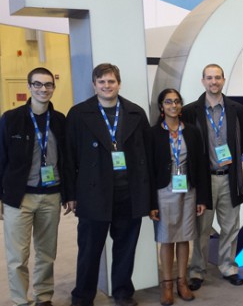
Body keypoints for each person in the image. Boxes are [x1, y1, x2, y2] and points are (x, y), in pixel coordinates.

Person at [65, 63, 156, 306]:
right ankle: (83, 297)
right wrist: (70, 194)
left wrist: (149, 197)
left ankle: (123, 293)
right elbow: (68, 157)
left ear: (119, 83)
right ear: (94, 85)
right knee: (89, 251)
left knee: (125, 249)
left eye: (111, 81)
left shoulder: (136, 113)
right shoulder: (78, 114)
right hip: (93, 195)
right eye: (102, 82)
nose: (107, 86)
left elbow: (147, 157)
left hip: (129, 193)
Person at [0, 67, 66, 306]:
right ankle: (21, 301)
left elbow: (68, 159)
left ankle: (43, 297)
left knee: (46, 254)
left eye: (48, 85)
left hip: (51, 196)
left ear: (53, 88)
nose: (43, 89)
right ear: (29, 86)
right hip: (19, 198)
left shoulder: (60, 120)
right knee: (17, 257)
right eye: (38, 84)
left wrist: (69, 194)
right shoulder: (11, 119)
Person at [181, 64, 243, 290]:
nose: (213, 82)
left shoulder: (236, 109)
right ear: (203, 81)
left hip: (230, 177)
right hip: (204, 180)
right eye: (209, 78)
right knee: (201, 228)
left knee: (230, 226)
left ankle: (228, 267)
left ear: (223, 80)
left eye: (217, 78)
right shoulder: (191, 111)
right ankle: (197, 271)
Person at [149, 88, 209, 305]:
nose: (173, 106)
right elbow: (149, 169)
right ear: (161, 107)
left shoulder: (192, 132)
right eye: (168, 102)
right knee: (166, 239)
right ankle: (167, 285)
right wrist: (151, 202)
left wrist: (202, 197)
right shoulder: (153, 133)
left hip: (188, 191)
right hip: (164, 191)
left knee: (185, 237)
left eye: (176, 102)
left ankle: (182, 282)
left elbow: (201, 166)